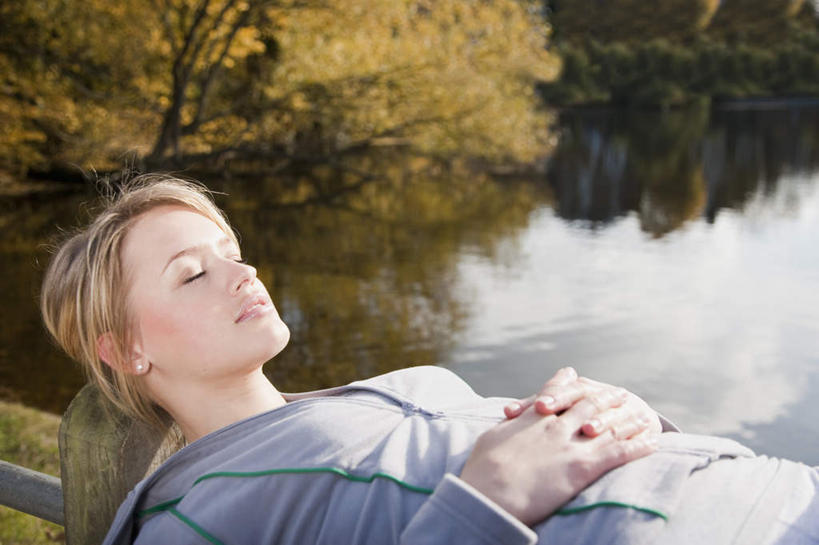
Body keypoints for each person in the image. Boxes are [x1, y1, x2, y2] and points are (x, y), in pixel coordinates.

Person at [40, 174, 819, 545]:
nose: (242, 272)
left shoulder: (354, 397)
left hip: (768, 485)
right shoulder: (189, 519)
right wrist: (487, 499)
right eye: (191, 274)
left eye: (230, 250)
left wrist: (625, 420)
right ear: (125, 348)